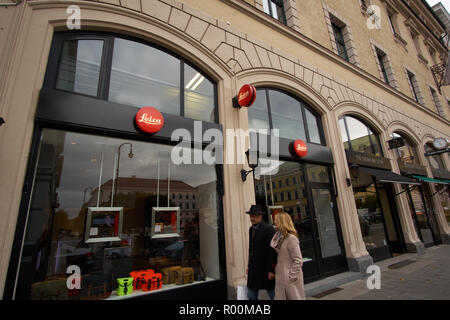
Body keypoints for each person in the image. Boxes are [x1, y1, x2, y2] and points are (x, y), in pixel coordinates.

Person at [270, 212, 305, 300]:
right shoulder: (279, 237)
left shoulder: (291, 239)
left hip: (289, 280)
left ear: (282, 222)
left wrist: (290, 277)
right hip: (281, 278)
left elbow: (298, 260)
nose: (274, 222)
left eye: (276, 220)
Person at [246, 205, 277, 300]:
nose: (251, 218)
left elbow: (272, 251)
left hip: (265, 269)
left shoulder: (268, 229)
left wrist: (272, 270)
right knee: (251, 295)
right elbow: (251, 249)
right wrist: (249, 265)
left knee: (274, 294)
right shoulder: (251, 229)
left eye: (254, 216)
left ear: (260, 216)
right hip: (254, 269)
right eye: (250, 216)